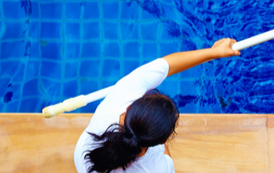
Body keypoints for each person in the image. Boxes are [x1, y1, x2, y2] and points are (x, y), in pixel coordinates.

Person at [73, 38, 241, 173]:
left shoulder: (123, 94)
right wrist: (214, 53)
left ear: (127, 112)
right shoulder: (159, 168)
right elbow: (169, 65)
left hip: (82, 159)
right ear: (164, 140)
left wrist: (214, 51)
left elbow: (165, 65)